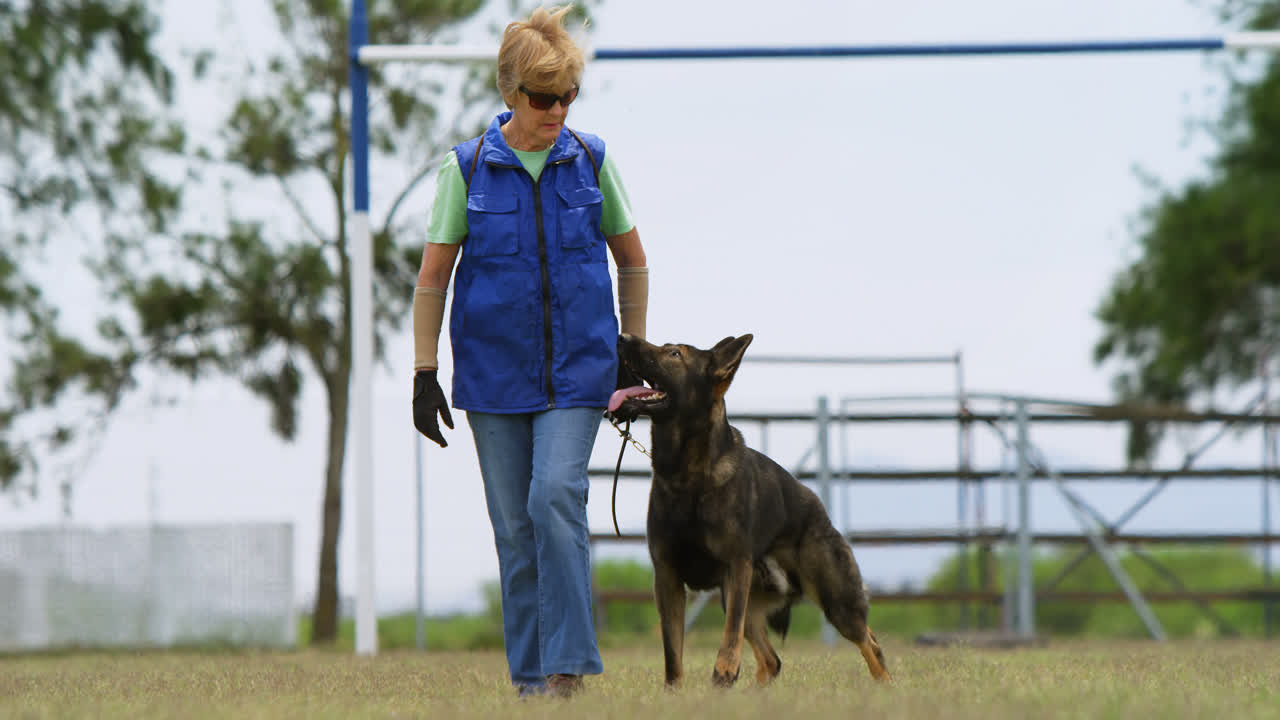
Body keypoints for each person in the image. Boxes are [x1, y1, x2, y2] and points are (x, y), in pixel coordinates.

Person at [410, 4, 649, 699]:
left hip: (580, 371)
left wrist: (631, 346)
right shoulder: (468, 170)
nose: (558, 110)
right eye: (545, 97)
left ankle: (568, 670)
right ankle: (530, 686)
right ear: (510, 92)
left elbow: (632, 261)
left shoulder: (592, 161)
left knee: (553, 498)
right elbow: (432, 280)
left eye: (568, 95)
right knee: (515, 531)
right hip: (493, 376)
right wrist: (425, 374)